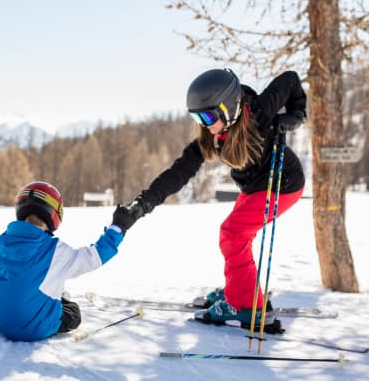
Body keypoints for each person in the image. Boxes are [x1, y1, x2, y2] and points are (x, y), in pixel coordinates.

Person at [121, 68, 307, 329]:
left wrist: (296, 116)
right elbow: (179, 172)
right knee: (234, 235)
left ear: (229, 107)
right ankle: (239, 289)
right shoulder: (212, 134)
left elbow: (290, 79)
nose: (204, 123)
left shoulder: (260, 112)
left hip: (282, 184)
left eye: (208, 115)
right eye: (197, 117)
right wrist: (144, 203)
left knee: (233, 234)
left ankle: (244, 306)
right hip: (255, 187)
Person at [0, 181, 136, 342]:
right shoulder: (56, 251)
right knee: (73, 312)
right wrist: (118, 228)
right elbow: (95, 256)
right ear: (55, 213)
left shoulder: (0, 244)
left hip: (0, 321)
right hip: (34, 329)